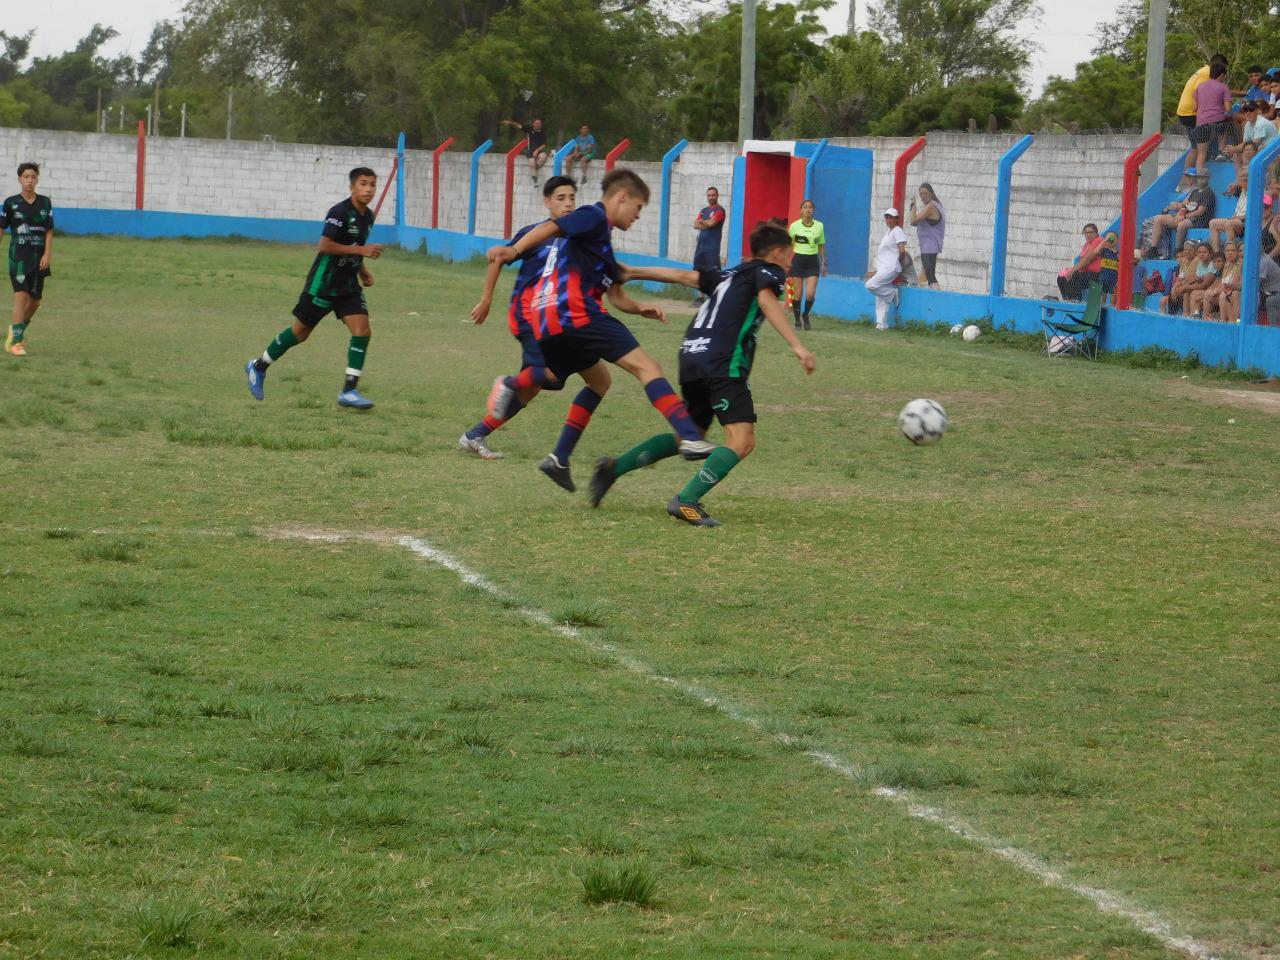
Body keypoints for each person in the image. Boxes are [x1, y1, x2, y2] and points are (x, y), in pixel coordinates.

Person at [486, 168, 716, 492]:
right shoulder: (592, 216)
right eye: (638, 209)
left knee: (597, 381)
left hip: (549, 322)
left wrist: (639, 308)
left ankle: (559, 458)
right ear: (622, 197)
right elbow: (553, 226)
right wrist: (514, 250)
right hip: (574, 314)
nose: (637, 217)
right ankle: (691, 437)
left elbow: (617, 290)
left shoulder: (599, 244)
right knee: (648, 367)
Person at [589, 222, 815, 527]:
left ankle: (613, 468)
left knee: (689, 434)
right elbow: (765, 301)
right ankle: (687, 500)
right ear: (776, 253)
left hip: (692, 357)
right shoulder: (770, 271)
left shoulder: (728, 275)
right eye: (789, 252)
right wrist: (798, 346)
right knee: (742, 440)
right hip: (723, 361)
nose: (792, 259)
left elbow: (683, 276)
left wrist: (632, 272)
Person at [245, 167, 382, 409]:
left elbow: (354, 244)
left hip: (348, 285)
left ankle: (349, 391)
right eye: (363, 184)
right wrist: (361, 252)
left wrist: (363, 271)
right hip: (323, 283)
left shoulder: (368, 217)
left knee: (362, 331)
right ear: (352, 187)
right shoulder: (339, 212)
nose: (368, 189)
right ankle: (258, 366)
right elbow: (325, 245)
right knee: (300, 333)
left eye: (372, 184)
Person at [2, 163, 53, 358]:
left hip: (39, 257)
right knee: (21, 297)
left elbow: (49, 230)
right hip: (19, 258)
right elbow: (1, 229)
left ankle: (16, 329)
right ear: (19, 179)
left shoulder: (45, 203)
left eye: (33, 176)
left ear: (37, 179)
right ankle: (16, 343)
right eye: (26, 176)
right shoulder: (10, 203)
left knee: (36, 302)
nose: (29, 180)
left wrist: (47, 254)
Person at [1177, 54, 1228, 170]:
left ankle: (1186, 181)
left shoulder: (1203, 70)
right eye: (1224, 72)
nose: (1224, 76)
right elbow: (1199, 92)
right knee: (1198, 150)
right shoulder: (1207, 73)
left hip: (1185, 112)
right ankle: (1188, 180)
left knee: (1198, 147)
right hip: (1192, 113)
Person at [866, 208, 909, 328]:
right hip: (883, 267)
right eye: (887, 217)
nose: (889, 220)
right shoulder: (888, 233)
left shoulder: (897, 231)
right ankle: (881, 324)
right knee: (880, 295)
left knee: (870, 285)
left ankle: (892, 294)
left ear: (897, 219)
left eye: (891, 217)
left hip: (890, 268)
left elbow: (902, 250)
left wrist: (898, 262)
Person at [788, 199, 825, 329]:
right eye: (805, 207)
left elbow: (821, 244)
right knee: (797, 293)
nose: (808, 209)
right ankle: (797, 321)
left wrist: (823, 262)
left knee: (810, 294)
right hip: (798, 261)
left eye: (810, 207)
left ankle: (806, 315)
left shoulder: (819, 226)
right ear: (801, 210)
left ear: (813, 210)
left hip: (812, 262)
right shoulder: (794, 226)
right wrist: (786, 262)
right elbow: (789, 245)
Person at [1190, 62, 1233, 173]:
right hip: (1218, 120)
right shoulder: (1223, 87)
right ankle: (1221, 152)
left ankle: (1199, 179)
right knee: (1225, 128)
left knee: (1201, 154)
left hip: (1201, 123)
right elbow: (1228, 109)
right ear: (1222, 75)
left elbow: (1194, 107)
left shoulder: (1200, 86)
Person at [908, 183, 945, 289]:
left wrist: (913, 205)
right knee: (927, 276)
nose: (923, 196)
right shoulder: (932, 206)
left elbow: (913, 220)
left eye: (925, 193)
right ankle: (929, 295)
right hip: (927, 245)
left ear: (931, 193)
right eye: (921, 194)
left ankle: (937, 297)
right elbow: (915, 222)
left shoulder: (931, 206)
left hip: (930, 245)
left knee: (930, 276)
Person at [1056, 223, 1104, 301]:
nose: (1088, 234)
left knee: (1073, 276)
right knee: (1061, 278)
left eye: (1091, 232)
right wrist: (1069, 270)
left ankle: (1076, 300)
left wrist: (1072, 270)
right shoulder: (1086, 245)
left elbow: (1087, 259)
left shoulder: (1098, 241)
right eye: (1086, 233)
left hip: (1096, 275)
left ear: (1096, 233)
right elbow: (1082, 261)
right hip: (1085, 274)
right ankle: (1068, 300)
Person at [500, 117, 550, 184]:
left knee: (543, 156)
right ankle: (535, 181)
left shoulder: (543, 133)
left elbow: (544, 144)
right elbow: (518, 125)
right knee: (532, 165)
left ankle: (536, 166)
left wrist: (537, 151)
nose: (537, 125)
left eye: (539, 123)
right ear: (533, 124)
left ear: (540, 125)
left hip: (539, 150)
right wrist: (510, 122)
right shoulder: (529, 129)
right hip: (530, 150)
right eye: (536, 123)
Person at [1205, 242, 1240, 321]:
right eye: (1227, 251)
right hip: (1225, 290)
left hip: (1234, 292)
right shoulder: (1227, 264)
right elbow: (1222, 281)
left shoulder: (1240, 265)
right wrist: (1215, 290)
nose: (1230, 253)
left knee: (1223, 295)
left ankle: (1222, 320)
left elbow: (1232, 285)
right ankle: (1205, 318)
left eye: (1233, 250)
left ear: (1237, 252)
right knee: (1208, 293)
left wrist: (1218, 290)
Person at [1188, 250, 1228, 318]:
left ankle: (1205, 317)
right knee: (1195, 294)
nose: (1217, 264)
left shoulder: (1225, 270)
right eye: (1215, 262)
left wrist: (1212, 290)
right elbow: (1215, 283)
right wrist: (1210, 289)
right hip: (1214, 291)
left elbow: (1222, 284)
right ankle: (1194, 316)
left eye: (1219, 261)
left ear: (1225, 262)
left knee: (1200, 295)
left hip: (1221, 293)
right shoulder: (1218, 272)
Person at [1258, 247, 1280, 324]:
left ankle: (1273, 330)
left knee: (1270, 301)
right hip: (1266, 291)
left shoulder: (1263, 261)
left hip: (1274, 292)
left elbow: (1255, 284)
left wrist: (1233, 286)